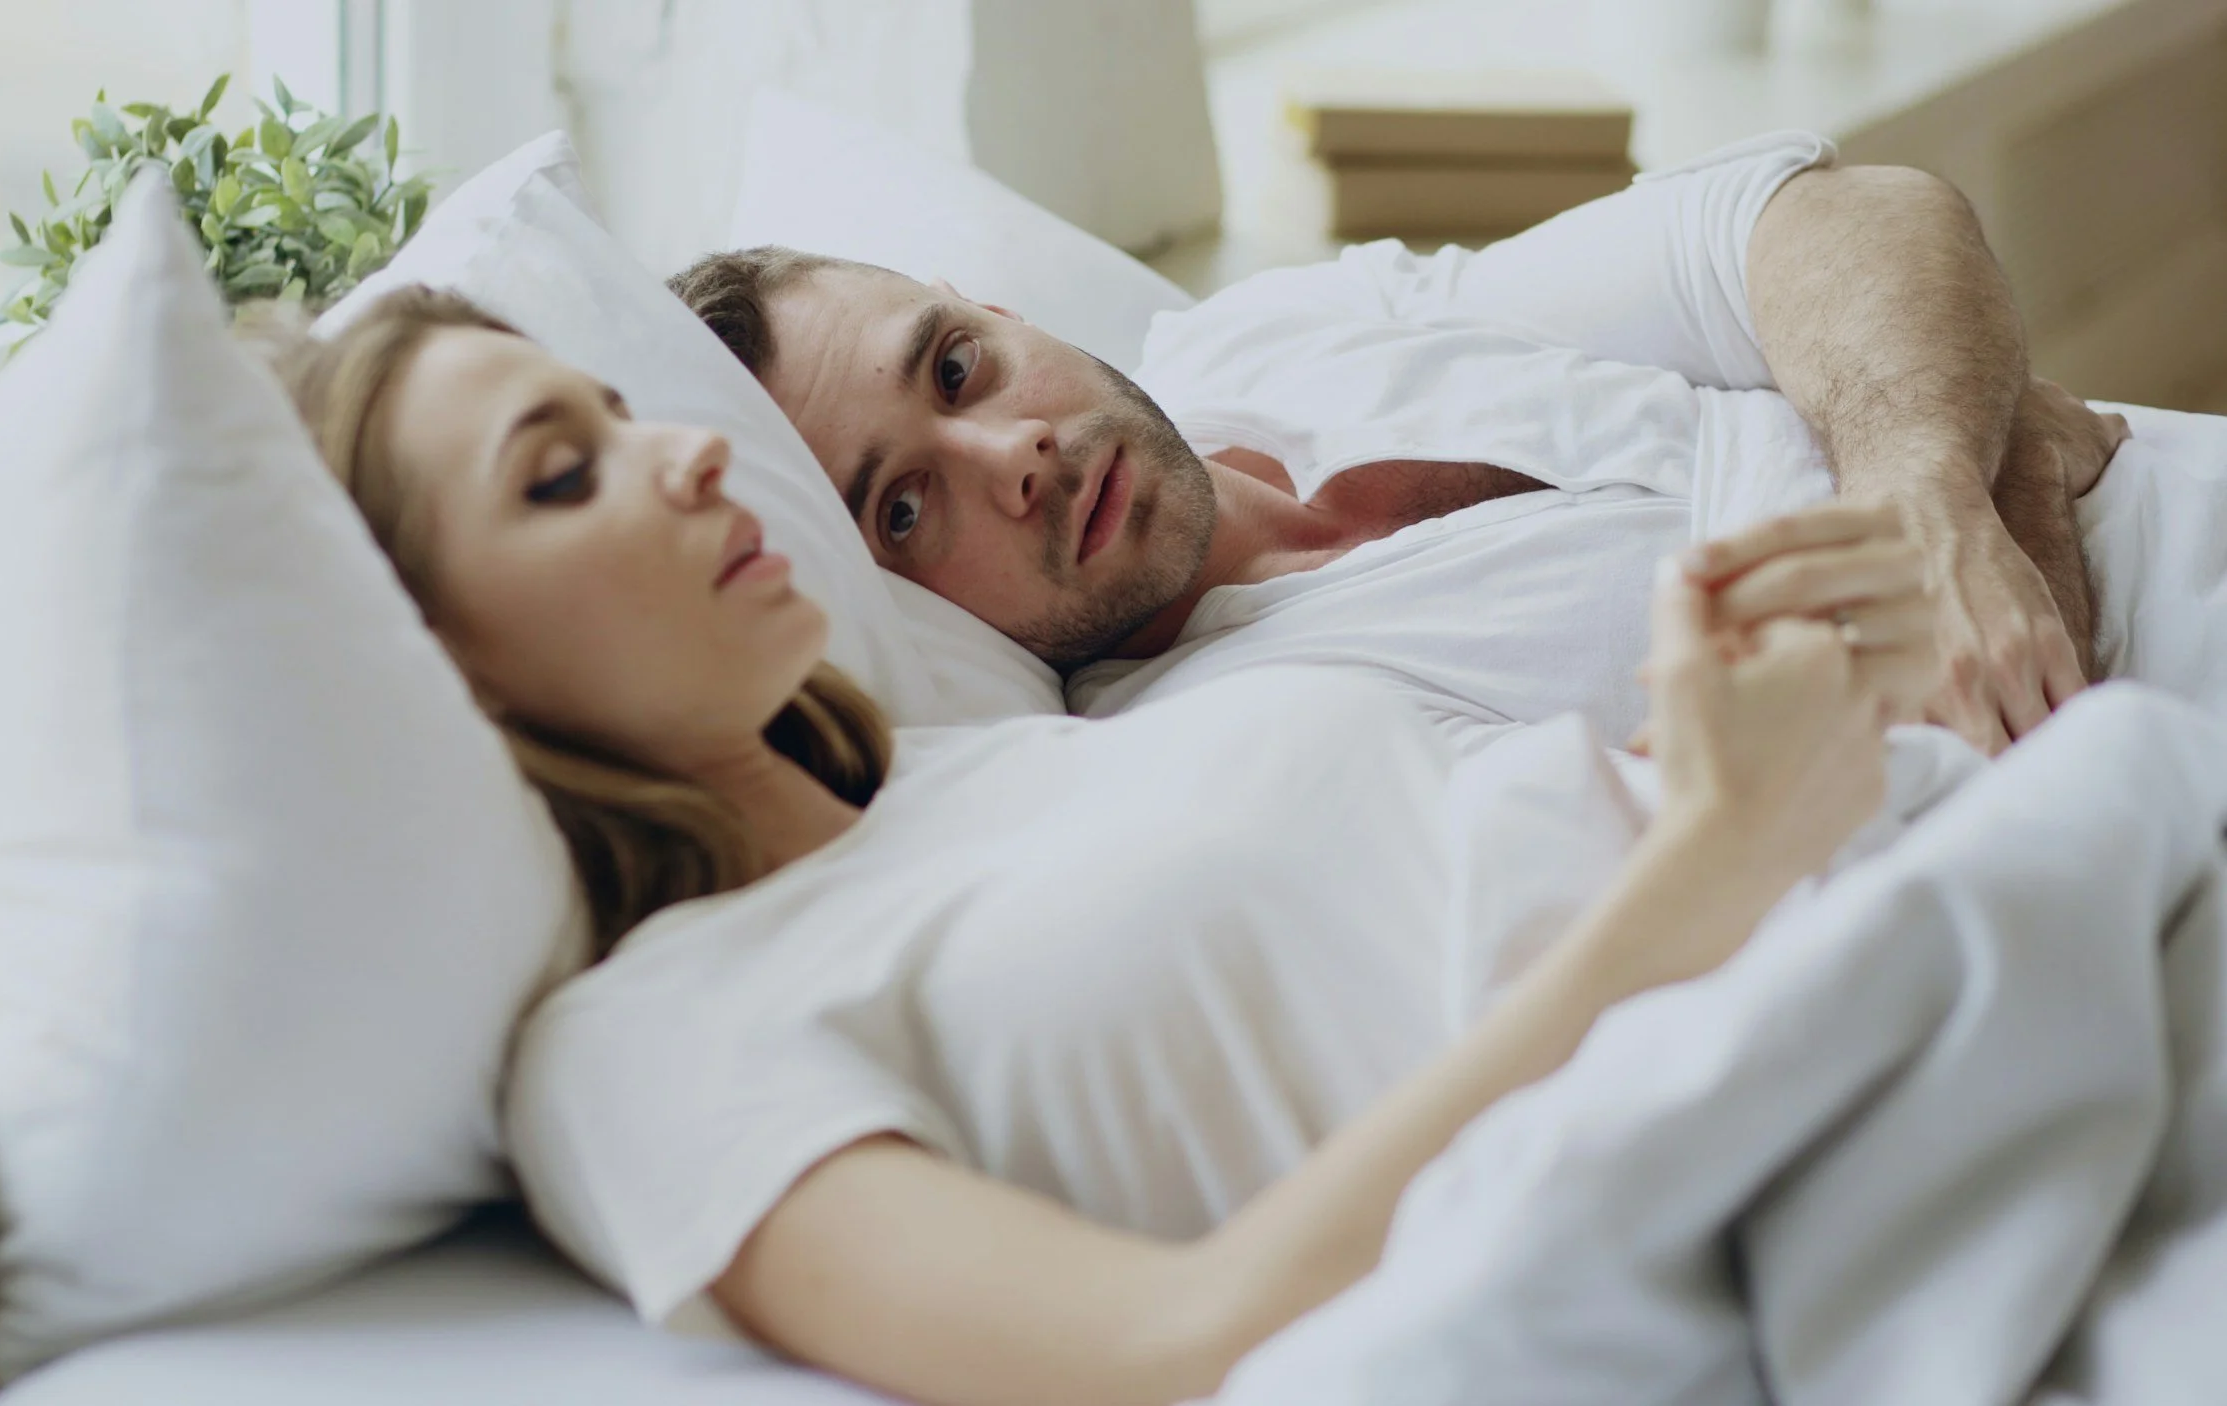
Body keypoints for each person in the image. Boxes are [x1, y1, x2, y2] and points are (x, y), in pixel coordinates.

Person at [256, 286, 1940, 1406]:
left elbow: (1423, 897)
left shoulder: (995, 757)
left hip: (1863, 913)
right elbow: (1175, 1339)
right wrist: (1705, 863)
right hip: (1762, 1163)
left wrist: (1720, 729)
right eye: (564, 475)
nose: (692, 452)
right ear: (433, 666)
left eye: (622, 415)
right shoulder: (642, 1046)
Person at [670, 133, 2150, 759]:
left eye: (955, 367)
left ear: (996, 312)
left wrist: (1923, 486)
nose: (1014, 455)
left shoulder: (1271, 334)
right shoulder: (1248, 736)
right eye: (906, 509)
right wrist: (1995, 433)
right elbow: (1867, 839)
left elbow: (1844, 215)